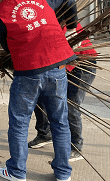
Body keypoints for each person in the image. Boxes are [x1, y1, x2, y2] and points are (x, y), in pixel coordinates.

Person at [0, 0, 77, 181]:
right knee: (59, 121)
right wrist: (73, 30)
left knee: (19, 122)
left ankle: (17, 171)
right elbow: (69, 1)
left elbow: (7, 47)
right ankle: (63, 173)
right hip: (58, 67)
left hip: (28, 71)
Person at [29, 22, 97, 162]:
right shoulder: (44, 20)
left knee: (70, 105)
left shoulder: (63, 21)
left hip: (83, 65)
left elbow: (60, 52)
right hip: (64, 63)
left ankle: (75, 146)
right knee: (39, 96)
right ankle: (45, 133)